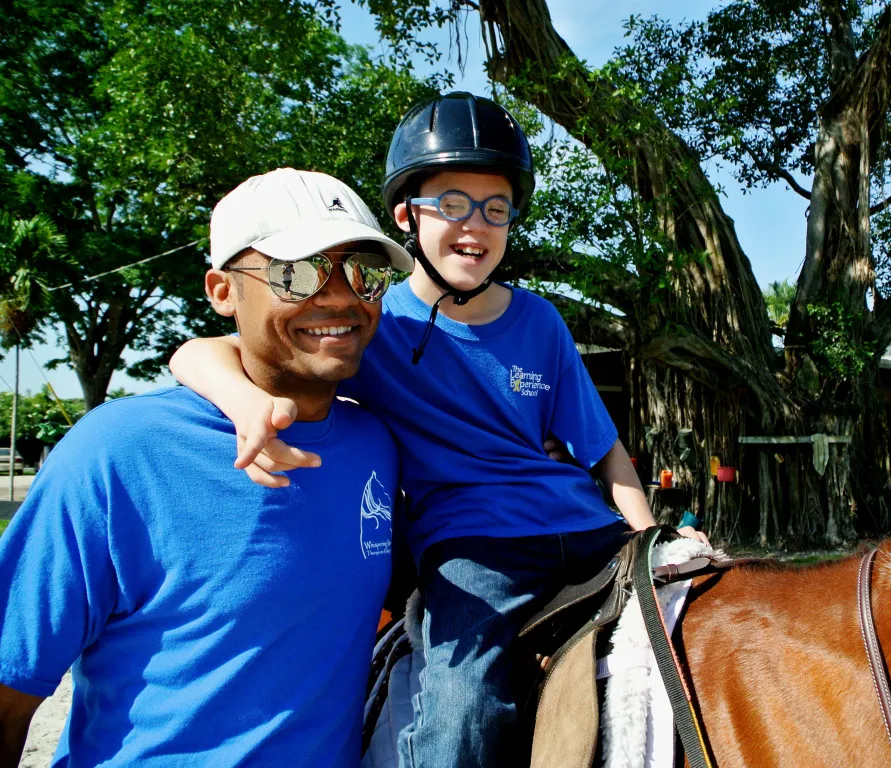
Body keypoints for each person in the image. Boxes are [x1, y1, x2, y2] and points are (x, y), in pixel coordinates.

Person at [170, 93, 708, 767]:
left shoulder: (540, 320)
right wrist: (241, 400)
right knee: (462, 710)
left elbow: (603, 450)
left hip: (585, 527)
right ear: (406, 216)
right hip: (475, 549)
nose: (474, 225)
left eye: (495, 209)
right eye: (452, 204)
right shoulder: (371, 324)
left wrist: (648, 535)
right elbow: (199, 352)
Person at [0, 168, 415, 767]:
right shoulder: (119, 452)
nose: (340, 296)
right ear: (223, 292)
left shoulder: (377, 443)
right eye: (295, 273)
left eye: (363, 271)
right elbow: (8, 693)